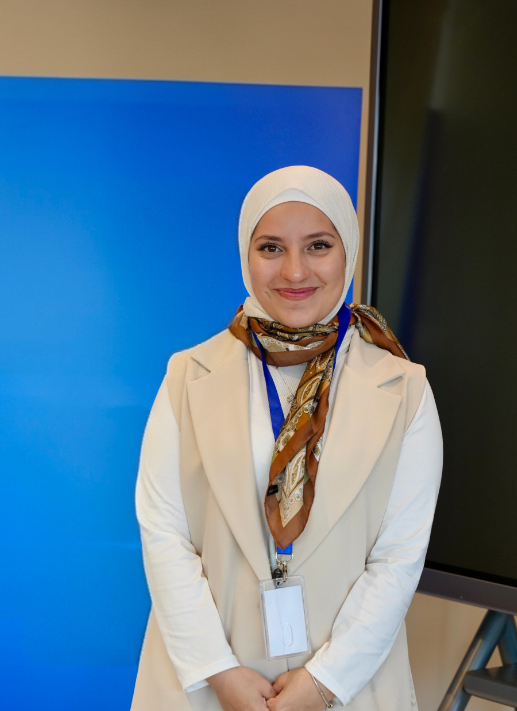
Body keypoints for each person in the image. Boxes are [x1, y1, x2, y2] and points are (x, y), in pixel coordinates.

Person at [132, 165, 443, 710]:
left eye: (318, 245)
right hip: (208, 685)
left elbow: (398, 559)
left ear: (346, 251)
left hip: (349, 686)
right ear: (245, 256)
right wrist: (219, 673)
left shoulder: (405, 390)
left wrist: (321, 684)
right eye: (271, 247)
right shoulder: (187, 376)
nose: (294, 270)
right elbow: (164, 535)